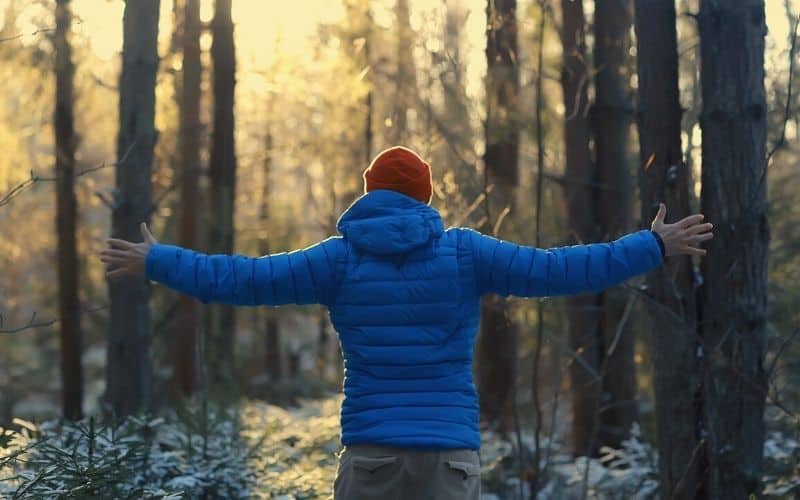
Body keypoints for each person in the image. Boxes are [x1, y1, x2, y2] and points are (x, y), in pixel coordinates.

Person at [98, 146, 713, 499]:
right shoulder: (466, 252)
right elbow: (560, 270)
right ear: (425, 197)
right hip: (450, 458)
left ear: (370, 194)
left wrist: (159, 260)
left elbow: (241, 279)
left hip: (372, 459)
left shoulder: (337, 260)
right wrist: (651, 247)